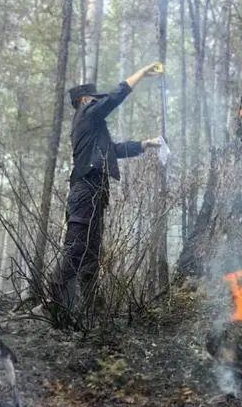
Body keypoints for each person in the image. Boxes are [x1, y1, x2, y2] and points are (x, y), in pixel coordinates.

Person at [46, 63, 164, 328]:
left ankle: (91, 313)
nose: (97, 102)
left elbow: (114, 149)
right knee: (77, 250)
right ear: (85, 101)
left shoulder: (90, 126)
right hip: (85, 190)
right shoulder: (87, 114)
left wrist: (146, 144)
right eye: (93, 99)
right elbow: (115, 96)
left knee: (90, 254)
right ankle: (53, 301)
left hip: (94, 192)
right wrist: (143, 72)